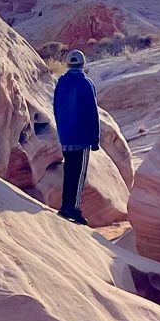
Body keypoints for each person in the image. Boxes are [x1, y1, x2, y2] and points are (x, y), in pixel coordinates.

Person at [52, 49, 99, 224]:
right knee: (79, 173)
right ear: (83, 64)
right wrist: (94, 140)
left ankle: (66, 205)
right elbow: (92, 113)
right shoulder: (86, 84)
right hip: (82, 137)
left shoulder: (60, 83)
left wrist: (61, 131)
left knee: (69, 170)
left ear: (68, 64)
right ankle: (74, 208)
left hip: (66, 136)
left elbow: (56, 108)